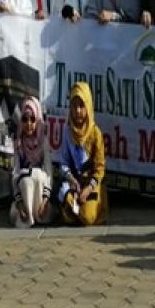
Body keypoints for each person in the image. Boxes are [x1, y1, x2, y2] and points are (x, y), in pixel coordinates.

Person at [58, 82, 107, 226]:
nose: (78, 111)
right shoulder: (68, 132)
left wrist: (88, 189)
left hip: (91, 183)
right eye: (74, 106)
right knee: (66, 201)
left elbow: (100, 169)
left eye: (82, 106)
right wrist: (72, 180)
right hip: (75, 182)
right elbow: (63, 163)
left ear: (88, 106)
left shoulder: (95, 133)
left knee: (88, 217)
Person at [11, 95, 53, 228]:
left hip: (42, 197)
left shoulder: (43, 142)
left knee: (39, 176)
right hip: (23, 197)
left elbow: (49, 173)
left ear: (38, 120)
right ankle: (27, 214)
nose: (29, 124)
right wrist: (20, 204)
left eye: (32, 119)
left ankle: (39, 213)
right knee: (25, 180)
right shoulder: (18, 143)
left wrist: (45, 201)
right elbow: (14, 174)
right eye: (25, 119)